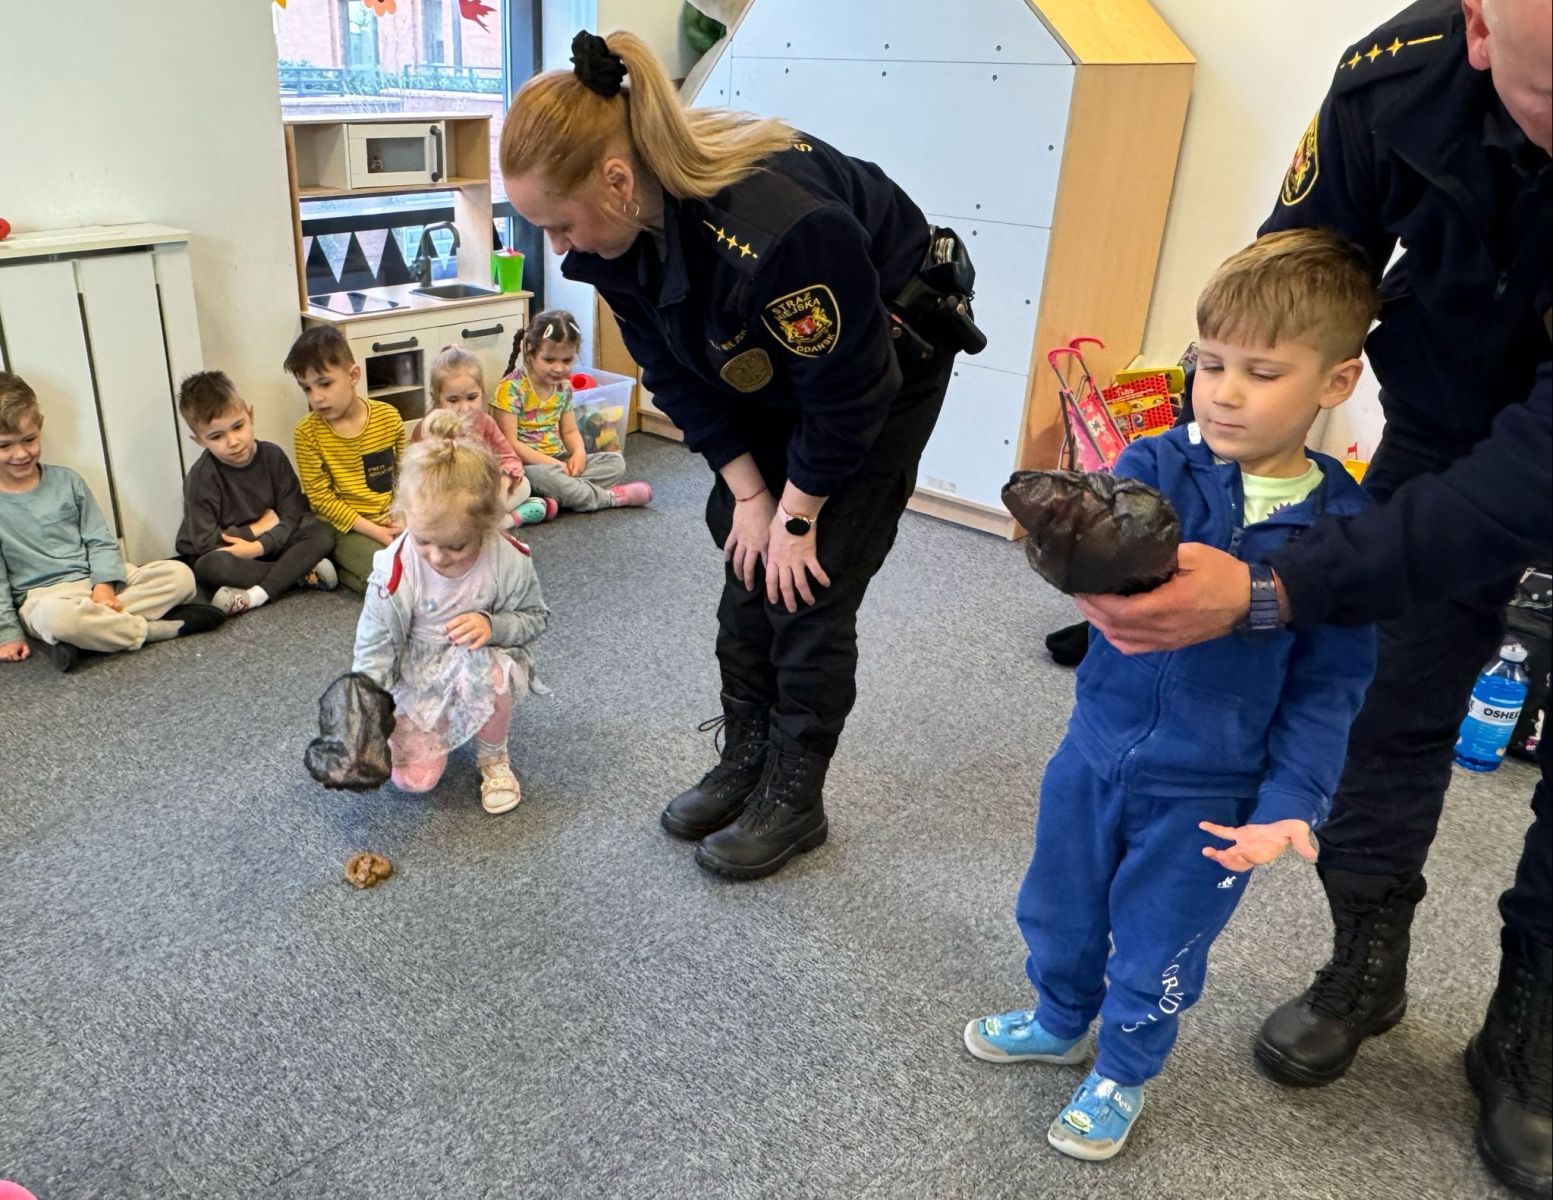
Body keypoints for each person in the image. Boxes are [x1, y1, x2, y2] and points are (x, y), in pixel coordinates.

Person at [1076, 2, 1552, 1192]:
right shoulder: (1393, 81)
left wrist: (1277, 582)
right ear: (1479, 30)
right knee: (1384, 706)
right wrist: (1211, 505)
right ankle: (1363, 960)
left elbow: (1535, 469)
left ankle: (1531, 1031)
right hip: (1441, 420)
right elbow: (1283, 288)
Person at [500, 31, 977, 878]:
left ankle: (795, 796)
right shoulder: (614, 238)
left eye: (559, 224)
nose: (559, 247)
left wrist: (797, 515)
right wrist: (753, 499)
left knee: (809, 581)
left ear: (616, 180)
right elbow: (672, 375)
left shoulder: (779, 230)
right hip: (763, 358)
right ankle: (745, 758)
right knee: (742, 551)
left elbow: (847, 395)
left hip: (879, 369)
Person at [964, 231, 1379, 1162]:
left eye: (1261, 372)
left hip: (1210, 793)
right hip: (1093, 752)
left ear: (1335, 382)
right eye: (1210, 363)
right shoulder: (1157, 463)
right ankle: (1059, 1018)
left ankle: (1121, 1070)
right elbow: (1096, 550)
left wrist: (1289, 803)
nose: (1223, 392)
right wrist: (1064, 524)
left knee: (1158, 947)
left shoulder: (1346, 534)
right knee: (1057, 908)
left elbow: (1331, 686)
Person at [351, 409, 550, 814]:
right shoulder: (395, 571)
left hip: (473, 659)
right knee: (414, 780)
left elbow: (536, 617)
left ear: (488, 525)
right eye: (424, 540)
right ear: (405, 518)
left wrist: (493, 626)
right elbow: (374, 644)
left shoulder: (508, 560)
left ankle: (493, 758)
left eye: (456, 546)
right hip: (416, 667)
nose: (438, 557)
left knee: (495, 676)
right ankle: (416, 728)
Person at [0, 372, 223, 673]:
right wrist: (8, 633)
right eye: (5, 446)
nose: (20, 453)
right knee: (57, 620)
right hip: (45, 598)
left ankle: (87, 638)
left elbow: (99, 540)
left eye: (29, 440)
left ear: (40, 425)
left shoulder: (68, 482)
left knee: (181, 576)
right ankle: (151, 630)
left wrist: (103, 586)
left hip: (99, 583)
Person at [174, 370, 338, 616]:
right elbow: (204, 542)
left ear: (250, 416)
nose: (233, 441)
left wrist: (259, 547)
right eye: (217, 436)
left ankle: (256, 595)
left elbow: (293, 514)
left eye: (238, 426)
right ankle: (299, 573)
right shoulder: (200, 478)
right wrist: (256, 529)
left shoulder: (273, 456)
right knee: (209, 567)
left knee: (321, 532)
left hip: (273, 543)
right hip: (235, 554)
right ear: (199, 441)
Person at [490, 308, 652, 514]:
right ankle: (609, 498)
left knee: (615, 462)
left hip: (559, 459)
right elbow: (510, 444)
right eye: (549, 360)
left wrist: (579, 453)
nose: (559, 368)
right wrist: (555, 466)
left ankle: (560, 495)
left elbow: (569, 431)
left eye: (566, 361)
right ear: (530, 354)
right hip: (525, 466)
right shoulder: (511, 388)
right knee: (541, 477)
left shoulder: (563, 387)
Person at [287, 326, 407, 596]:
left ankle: (332, 565)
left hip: (392, 517)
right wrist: (376, 532)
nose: (316, 397)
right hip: (345, 528)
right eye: (307, 388)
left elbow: (406, 474)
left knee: (436, 559)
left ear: (353, 375)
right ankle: (335, 564)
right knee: (387, 580)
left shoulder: (388, 417)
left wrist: (404, 518)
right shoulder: (306, 433)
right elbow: (321, 499)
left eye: (325, 383)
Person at [417, 345, 556, 528]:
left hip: (484, 492)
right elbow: (417, 474)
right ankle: (511, 519)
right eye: (453, 400)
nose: (465, 407)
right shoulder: (429, 427)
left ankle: (483, 524)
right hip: (450, 497)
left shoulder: (485, 422)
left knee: (523, 486)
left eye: (472, 397)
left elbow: (508, 456)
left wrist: (506, 479)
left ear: (482, 392)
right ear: (437, 398)